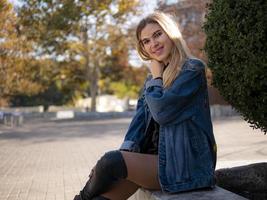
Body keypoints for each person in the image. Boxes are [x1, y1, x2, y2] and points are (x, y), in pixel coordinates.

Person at [74, 11, 217, 200]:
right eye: (146, 41)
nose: (153, 44)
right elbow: (138, 124)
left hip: (186, 167)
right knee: (102, 193)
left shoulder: (192, 69)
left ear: (170, 32)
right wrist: (122, 157)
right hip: (156, 160)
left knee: (111, 161)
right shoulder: (152, 80)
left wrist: (156, 77)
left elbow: (162, 112)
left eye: (157, 35)